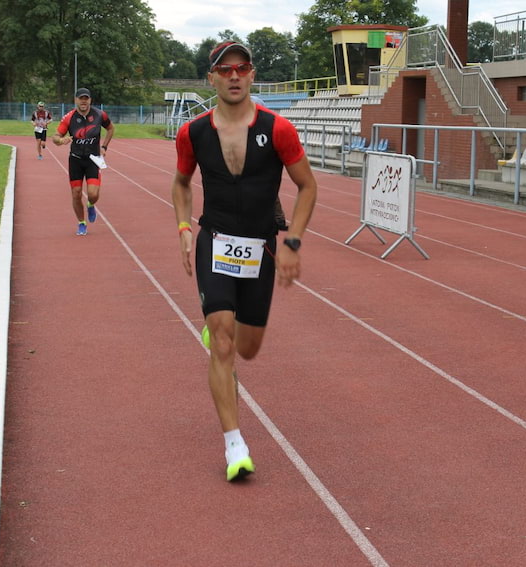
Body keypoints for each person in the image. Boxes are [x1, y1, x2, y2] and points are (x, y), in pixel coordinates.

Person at [171, 41, 317, 481]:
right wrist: (183, 228)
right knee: (223, 342)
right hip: (214, 241)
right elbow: (181, 184)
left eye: (242, 68)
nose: (234, 75)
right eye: (225, 69)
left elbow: (307, 187)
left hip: (261, 247)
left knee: (248, 349)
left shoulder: (278, 129)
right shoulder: (193, 132)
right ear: (211, 78)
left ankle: (224, 329)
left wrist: (292, 242)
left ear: (252, 75)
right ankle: (235, 444)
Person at [52, 88, 115, 236]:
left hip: (93, 159)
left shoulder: (100, 115)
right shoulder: (69, 118)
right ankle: (81, 223)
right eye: (81, 98)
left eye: (86, 98)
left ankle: (91, 204)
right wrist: (61, 140)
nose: (83, 101)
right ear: (76, 100)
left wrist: (104, 146)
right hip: (76, 160)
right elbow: (55, 136)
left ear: (90, 100)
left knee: (93, 194)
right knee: (76, 193)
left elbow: (111, 129)